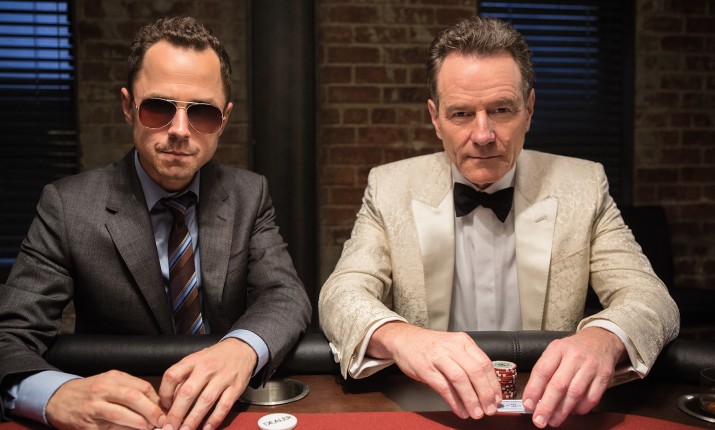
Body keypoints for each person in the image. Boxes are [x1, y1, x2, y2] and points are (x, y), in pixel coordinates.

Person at [319, 16, 679, 429]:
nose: (483, 134)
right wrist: (403, 337)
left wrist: (605, 338)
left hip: (547, 410)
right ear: (435, 118)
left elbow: (651, 298)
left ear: (529, 110)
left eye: (501, 110)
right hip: (429, 409)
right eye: (461, 113)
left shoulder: (584, 184)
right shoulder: (390, 187)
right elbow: (340, 294)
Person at [0, 16, 311, 430]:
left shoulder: (248, 194)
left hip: (225, 412)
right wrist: (55, 393)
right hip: (120, 417)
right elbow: (10, 333)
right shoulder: (67, 205)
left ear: (223, 120)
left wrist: (240, 349)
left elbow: (285, 295)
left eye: (202, 113)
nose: (180, 130)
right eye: (159, 108)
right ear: (128, 106)